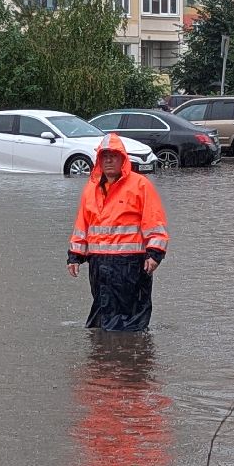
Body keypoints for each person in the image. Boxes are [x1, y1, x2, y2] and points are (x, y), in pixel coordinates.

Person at [67, 134, 169, 333]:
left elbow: (154, 222)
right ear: (99, 160)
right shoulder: (91, 189)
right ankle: (109, 350)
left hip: (131, 265)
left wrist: (155, 254)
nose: (108, 160)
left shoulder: (140, 185)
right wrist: (75, 256)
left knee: (132, 321)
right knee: (102, 319)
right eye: (104, 156)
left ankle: (129, 351)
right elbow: (83, 225)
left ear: (123, 159)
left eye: (113, 156)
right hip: (99, 265)